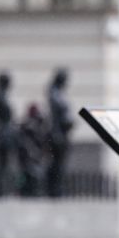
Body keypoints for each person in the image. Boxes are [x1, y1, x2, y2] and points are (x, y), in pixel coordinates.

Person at [45, 68, 74, 198]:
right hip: (58, 134)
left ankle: (57, 188)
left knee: (60, 163)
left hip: (63, 133)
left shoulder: (58, 94)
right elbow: (59, 113)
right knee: (56, 163)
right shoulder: (54, 94)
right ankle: (54, 189)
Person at [16, 103, 48, 196]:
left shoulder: (32, 126)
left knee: (32, 178)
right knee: (28, 178)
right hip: (29, 159)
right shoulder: (28, 127)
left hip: (32, 158)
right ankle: (28, 191)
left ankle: (29, 191)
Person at [0, 71, 15, 195]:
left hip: (6, 134)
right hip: (3, 136)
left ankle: (3, 189)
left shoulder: (2, 96)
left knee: (5, 164)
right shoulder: (0, 97)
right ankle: (1, 190)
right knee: (2, 164)